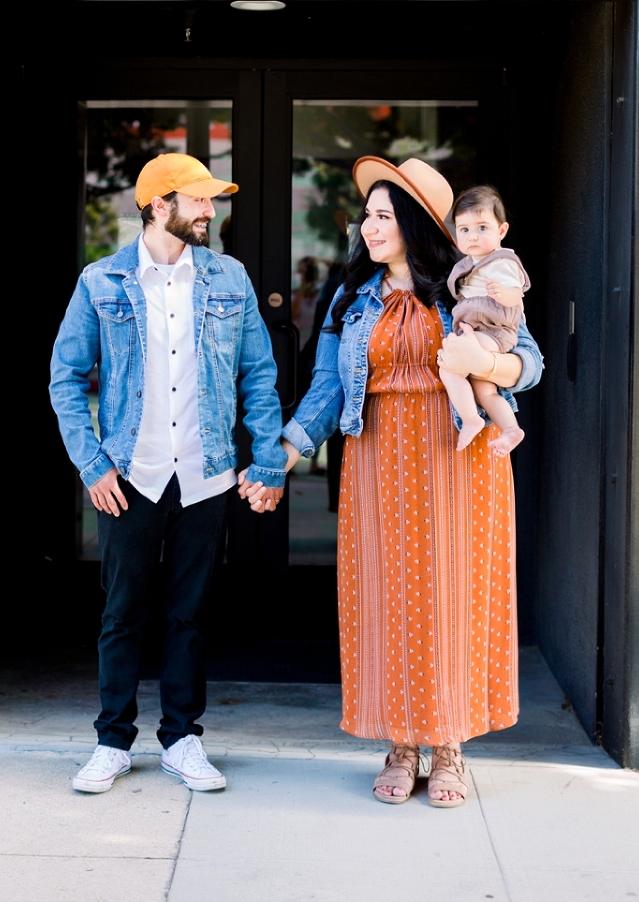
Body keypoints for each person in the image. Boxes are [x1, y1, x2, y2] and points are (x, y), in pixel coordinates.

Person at [240, 157, 543, 808]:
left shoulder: (466, 286)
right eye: (367, 217)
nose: (368, 228)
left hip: (460, 461)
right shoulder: (351, 299)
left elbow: (531, 362)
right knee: (389, 605)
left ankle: (450, 748)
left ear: (415, 222)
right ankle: (402, 744)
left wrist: (488, 360)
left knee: (453, 602)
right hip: (379, 464)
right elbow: (325, 389)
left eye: (383, 216)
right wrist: (278, 462)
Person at [50, 153, 286, 796]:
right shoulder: (101, 282)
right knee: (122, 612)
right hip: (128, 475)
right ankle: (111, 742)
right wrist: (91, 462)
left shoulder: (229, 279)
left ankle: (183, 739)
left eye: (213, 200)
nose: (211, 210)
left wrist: (267, 457)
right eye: (199, 199)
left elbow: (258, 376)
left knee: (190, 613)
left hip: (205, 474)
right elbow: (65, 378)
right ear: (159, 205)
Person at [440, 184, 531, 455]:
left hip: (493, 331)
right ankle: (511, 429)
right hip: (482, 331)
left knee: (450, 364)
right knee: (485, 390)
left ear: (501, 231)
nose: (473, 236)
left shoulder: (502, 261)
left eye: (482, 228)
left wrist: (504, 294)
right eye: (464, 229)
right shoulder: (467, 265)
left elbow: (518, 293)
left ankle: (471, 419)